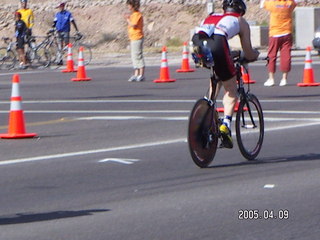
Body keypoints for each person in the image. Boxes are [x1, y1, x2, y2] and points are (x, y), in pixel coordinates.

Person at [192, 0, 259, 148]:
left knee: (217, 76)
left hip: (198, 43)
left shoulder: (212, 16)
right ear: (241, 11)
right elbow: (248, 51)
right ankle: (226, 125)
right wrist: (254, 55)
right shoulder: (240, 21)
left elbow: (214, 37)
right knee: (231, 89)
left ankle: (205, 113)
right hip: (218, 44)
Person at [261, 0, 297, 87]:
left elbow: (262, 4)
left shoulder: (273, 4)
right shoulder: (289, 3)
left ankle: (271, 78)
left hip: (275, 33)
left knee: (272, 55)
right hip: (287, 32)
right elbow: (296, 2)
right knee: (286, 55)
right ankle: (284, 78)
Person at [125, 0, 145, 82]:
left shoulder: (137, 15)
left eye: (129, 5)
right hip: (133, 38)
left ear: (133, 6)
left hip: (137, 37)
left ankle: (141, 74)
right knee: (134, 56)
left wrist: (127, 19)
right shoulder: (133, 15)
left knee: (138, 55)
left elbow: (134, 24)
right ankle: (136, 73)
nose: (128, 7)